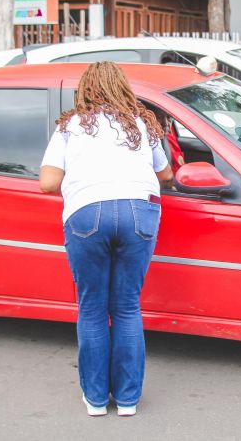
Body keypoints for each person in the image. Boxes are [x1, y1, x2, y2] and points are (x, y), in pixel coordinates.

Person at [39, 61, 174, 417]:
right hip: (138, 212)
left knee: (93, 307)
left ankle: (96, 400)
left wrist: (82, 184)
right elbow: (166, 174)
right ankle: (128, 400)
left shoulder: (69, 127)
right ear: (122, 88)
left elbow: (48, 182)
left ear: (85, 89)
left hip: (86, 214)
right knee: (127, 305)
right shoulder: (142, 124)